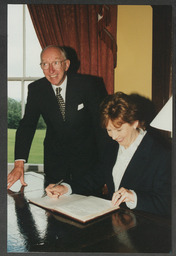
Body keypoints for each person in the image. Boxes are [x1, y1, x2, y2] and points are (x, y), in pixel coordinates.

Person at [45, 92, 171, 216]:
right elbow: (96, 177)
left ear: (134, 122)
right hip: (115, 222)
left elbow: (167, 203)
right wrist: (66, 188)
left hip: (144, 227)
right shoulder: (111, 146)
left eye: (119, 129)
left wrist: (134, 197)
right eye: (109, 130)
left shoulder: (161, 154)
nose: (114, 136)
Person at [7, 45, 107, 189]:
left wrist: (106, 167)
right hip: (55, 164)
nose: (51, 70)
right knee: (53, 206)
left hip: (87, 164)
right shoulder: (36, 89)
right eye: (45, 64)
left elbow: (101, 126)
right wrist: (18, 163)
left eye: (55, 63)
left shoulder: (88, 85)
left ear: (66, 64)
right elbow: (27, 126)